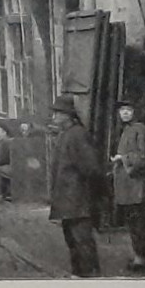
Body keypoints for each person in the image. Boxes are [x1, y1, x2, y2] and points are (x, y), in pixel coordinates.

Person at [47, 94, 103, 277]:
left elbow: (92, 168)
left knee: (82, 242)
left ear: (68, 116)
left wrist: (90, 194)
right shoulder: (66, 134)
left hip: (78, 200)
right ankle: (79, 276)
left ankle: (92, 279)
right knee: (73, 242)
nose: (54, 117)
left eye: (57, 114)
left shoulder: (78, 134)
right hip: (68, 200)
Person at [110, 100, 145, 273]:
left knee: (139, 222)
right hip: (127, 184)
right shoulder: (126, 130)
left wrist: (122, 159)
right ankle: (139, 256)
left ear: (135, 112)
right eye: (122, 110)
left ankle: (143, 259)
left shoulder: (140, 129)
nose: (125, 113)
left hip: (136, 185)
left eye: (129, 110)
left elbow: (144, 156)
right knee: (133, 221)